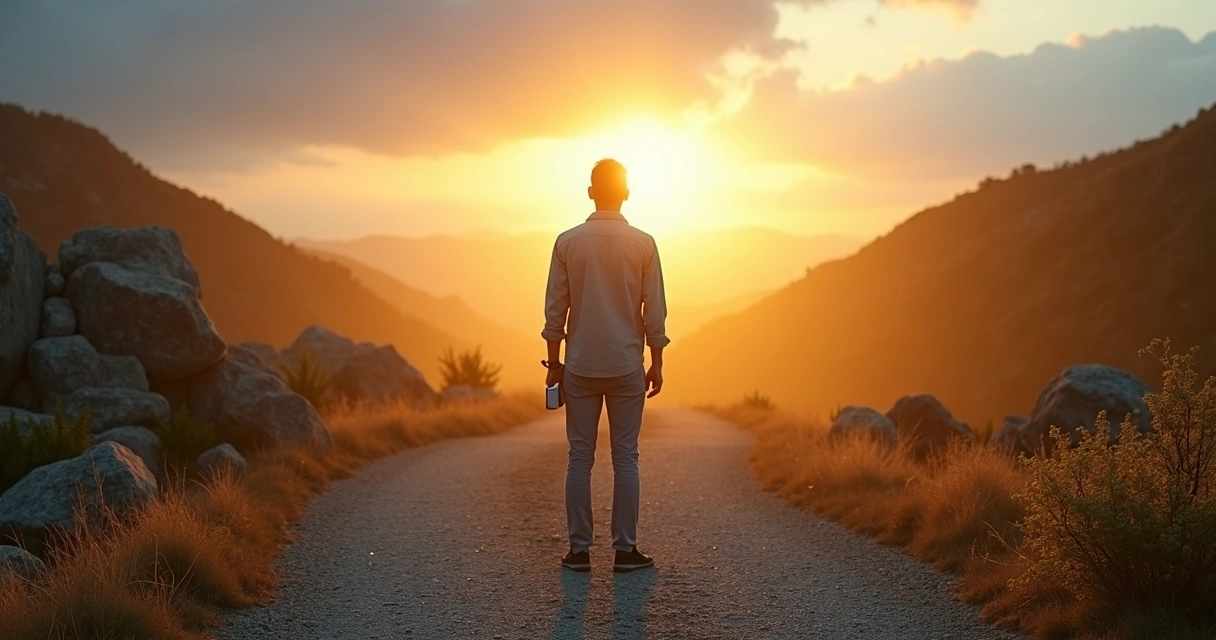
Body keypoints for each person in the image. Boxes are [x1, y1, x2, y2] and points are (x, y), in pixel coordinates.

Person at [542, 158, 669, 573]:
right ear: (627, 193)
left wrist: (555, 364)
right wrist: (657, 361)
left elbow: (555, 310)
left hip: (579, 364)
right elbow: (655, 312)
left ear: (591, 191)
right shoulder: (644, 243)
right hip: (626, 362)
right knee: (625, 457)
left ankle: (579, 552)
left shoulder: (567, 242)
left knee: (580, 457)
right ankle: (625, 551)